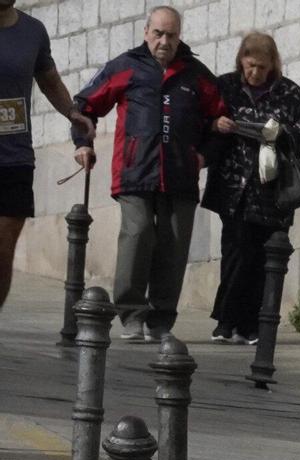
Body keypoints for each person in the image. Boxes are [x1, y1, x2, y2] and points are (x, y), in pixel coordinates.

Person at [72, 6, 232, 341]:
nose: (164, 41)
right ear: (146, 32)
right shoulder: (126, 66)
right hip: (135, 171)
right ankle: (131, 314)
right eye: (158, 33)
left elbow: (221, 121)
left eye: (171, 35)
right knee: (138, 234)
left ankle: (160, 321)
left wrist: (203, 155)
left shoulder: (197, 75)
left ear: (179, 36)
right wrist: (83, 143)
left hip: (181, 175)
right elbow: (85, 105)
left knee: (173, 247)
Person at [201, 31, 300, 344]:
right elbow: (201, 119)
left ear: (272, 65)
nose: (255, 73)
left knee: (263, 258)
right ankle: (227, 321)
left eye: (262, 67)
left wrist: (282, 134)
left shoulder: (289, 93)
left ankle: (251, 324)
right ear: (241, 61)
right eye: (250, 65)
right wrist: (216, 124)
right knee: (236, 251)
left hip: (272, 192)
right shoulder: (226, 87)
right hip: (234, 188)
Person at [0, 0, 93, 314]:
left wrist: (72, 113)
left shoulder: (33, 31)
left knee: (3, 252)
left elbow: (49, 79)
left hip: (15, 159)